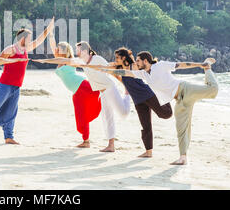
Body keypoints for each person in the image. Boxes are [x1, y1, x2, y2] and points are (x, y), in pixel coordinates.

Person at [91, 51, 219, 165]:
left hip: (185, 90)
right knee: (181, 128)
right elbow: (126, 73)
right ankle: (183, 157)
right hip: (179, 101)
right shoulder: (144, 74)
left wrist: (201, 65)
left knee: (213, 90)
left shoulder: (160, 65)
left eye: (138, 60)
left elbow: (181, 65)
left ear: (145, 61)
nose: (136, 62)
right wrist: (107, 71)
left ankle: (208, 68)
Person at [0, 17, 55, 144]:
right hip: (5, 84)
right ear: (22, 38)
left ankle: (9, 137)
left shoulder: (26, 49)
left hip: (17, 86)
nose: (30, 41)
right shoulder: (10, 50)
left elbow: (39, 40)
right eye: (28, 38)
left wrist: (48, 30)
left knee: (11, 112)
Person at [33, 34, 101, 148]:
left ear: (64, 50)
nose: (56, 50)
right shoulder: (59, 59)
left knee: (86, 111)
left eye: (59, 49)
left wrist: (43, 60)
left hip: (83, 86)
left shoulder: (70, 60)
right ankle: (86, 141)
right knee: (81, 116)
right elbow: (53, 46)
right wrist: (50, 34)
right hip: (76, 92)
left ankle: (86, 140)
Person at [113, 47, 173, 158]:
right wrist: (86, 66)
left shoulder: (134, 66)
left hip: (147, 94)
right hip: (137, 100)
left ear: (124, 57)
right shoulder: (119, 69)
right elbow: (104, 68)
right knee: (146, 125)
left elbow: (147, 69)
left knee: (165, 114)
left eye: (117, 57)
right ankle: (148, 151)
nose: (115, 59)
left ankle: (165, 96)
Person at [72, 41, 131, 152]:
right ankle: (111, 145)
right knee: (107, 117)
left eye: (78, 50)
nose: (76, 53)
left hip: (110, 88)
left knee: (123, 113)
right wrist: (47, 61)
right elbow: (65, 60)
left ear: (84, 51)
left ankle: (127, 95)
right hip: (102, 92)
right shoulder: (82, 61)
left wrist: (125, 85)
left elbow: (111, 71)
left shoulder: (97, 59)